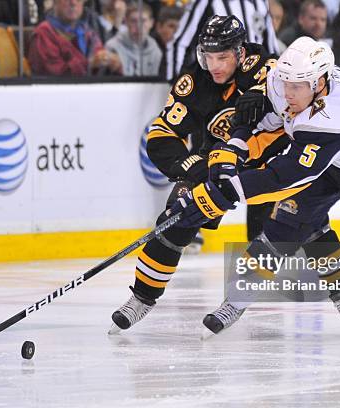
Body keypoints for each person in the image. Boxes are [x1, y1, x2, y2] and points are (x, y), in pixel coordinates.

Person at [171, 36, 340, 343]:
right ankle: (235, 303)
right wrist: (236, 141)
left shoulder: (332, 119)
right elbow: (256, 115)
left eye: (297, 86)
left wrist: (217, 196)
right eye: (285, 83)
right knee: (287, 222)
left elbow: (282, 178)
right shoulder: (282, 79)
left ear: (319, 83)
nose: (288, 92)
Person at [109, 15, 288, 333]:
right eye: (208, 56)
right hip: (216, 160)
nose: (215, 65)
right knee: (174, 220)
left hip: (271, 160)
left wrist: (264, 96)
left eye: (223, 57)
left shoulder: (264, 66)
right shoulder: (193, 83)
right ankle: (142, 298)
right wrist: (192, 168)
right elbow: (162, 136)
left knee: (301, 221)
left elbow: (285, 92)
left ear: (240, 52)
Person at [166, 0, 280, 80]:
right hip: (217, 84)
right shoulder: (206, 2)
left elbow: (270, 45)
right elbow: (181, 42)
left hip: (253, 81)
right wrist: (176, 82)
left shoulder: (260, 2)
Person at [28, 0, 122, 76]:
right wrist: (89, 64)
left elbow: (99, 58)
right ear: (55, 2)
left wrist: (112, 63)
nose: (73, 2)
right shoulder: (44, 33)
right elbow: (54, 76)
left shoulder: (87, 33)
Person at [105, 3, 162, 76]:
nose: (138, 26)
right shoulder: (112, 46)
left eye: (143, 21)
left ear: (151, 23)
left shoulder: (156, 50)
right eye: (133, 21)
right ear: (126, 22)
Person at [151, 6, 183, 78]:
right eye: (171, 26)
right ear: (159, 27)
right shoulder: (150, 48)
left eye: (180, 28)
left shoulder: (186, 51)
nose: (176, 31)